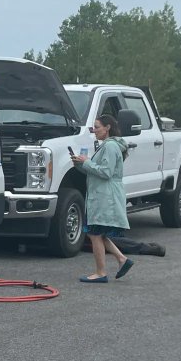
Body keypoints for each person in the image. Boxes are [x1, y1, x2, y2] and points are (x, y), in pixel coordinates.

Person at [71, 114, 135, 282]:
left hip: (105, 196)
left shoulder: (111, 147)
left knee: (95, 233)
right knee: (98, 233)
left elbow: (106, 172)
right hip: (101, 194)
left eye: (97, 127)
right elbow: (96, 170)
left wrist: (86, 161)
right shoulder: (107, 146)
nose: (94, 131)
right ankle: (122, 259)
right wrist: (80, 164)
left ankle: (101, 272)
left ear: (107, 128)